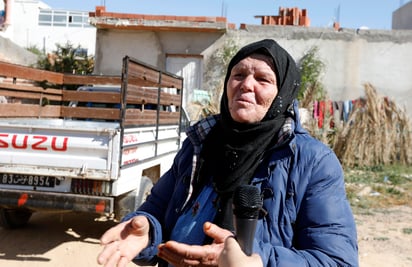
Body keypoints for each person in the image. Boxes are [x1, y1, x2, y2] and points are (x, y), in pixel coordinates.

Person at [97, 39, 359, 267]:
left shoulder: (312, 162)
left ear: (283, 94)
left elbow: (337, 260)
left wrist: (258, 260)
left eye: (263, 79)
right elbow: (158, 207)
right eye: (239, 75)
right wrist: (147, 232)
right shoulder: (199, 144)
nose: (246, 85)